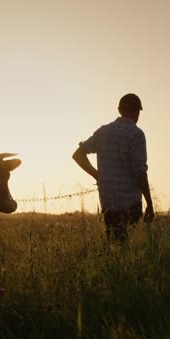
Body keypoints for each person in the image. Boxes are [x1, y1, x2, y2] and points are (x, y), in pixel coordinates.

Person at [72, 93, 154, 241]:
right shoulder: (136, 135)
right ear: (136, 112)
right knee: (125, 246)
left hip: (108, 203)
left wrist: (97, 175)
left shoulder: (103, 132)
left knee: (114, 244)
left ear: (119, 110)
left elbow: (78, 155)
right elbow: (140, 171)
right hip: (130, 204)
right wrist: (149, 203)